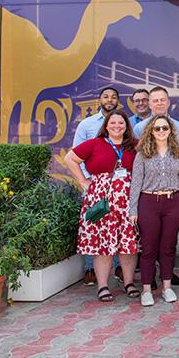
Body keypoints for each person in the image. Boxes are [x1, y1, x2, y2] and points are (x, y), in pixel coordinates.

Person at [64, 109, 139, 302]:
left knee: (128, 244)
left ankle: (129, 282)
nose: (117, 126)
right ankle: (103, 286)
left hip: (128, 201)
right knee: (102, 245)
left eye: (121, 123)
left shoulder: (134, 145)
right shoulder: (94, 144)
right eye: (113, 123)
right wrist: (82, 181)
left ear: (126, 126)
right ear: (106, 126)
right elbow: (69, 158)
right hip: (101, 201)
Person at [129, 115, 179, 306]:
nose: (161, 131)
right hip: (148, 202)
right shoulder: (142, 154)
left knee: (168, 247)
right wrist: (133, 210)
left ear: (170, 130)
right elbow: (135, 184)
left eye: (164, 128)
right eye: (157, 129)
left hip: (173, 202)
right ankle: (146, 289)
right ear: (151, 132)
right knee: (148, 248)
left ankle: (167, 287)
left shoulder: (177, 153)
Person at [71, 85, 120, 286]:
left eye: (113, 97)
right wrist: (84, 180)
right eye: (106, 96)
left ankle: (116, 266)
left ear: (118, 101)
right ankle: (90, 268)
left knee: (116, 225)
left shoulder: (121, 123)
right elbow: (75, 155)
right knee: (95, 223)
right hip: (96, 185)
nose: (109, 100)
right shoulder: (87, 124)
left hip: (118, 186)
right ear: (100, 100)